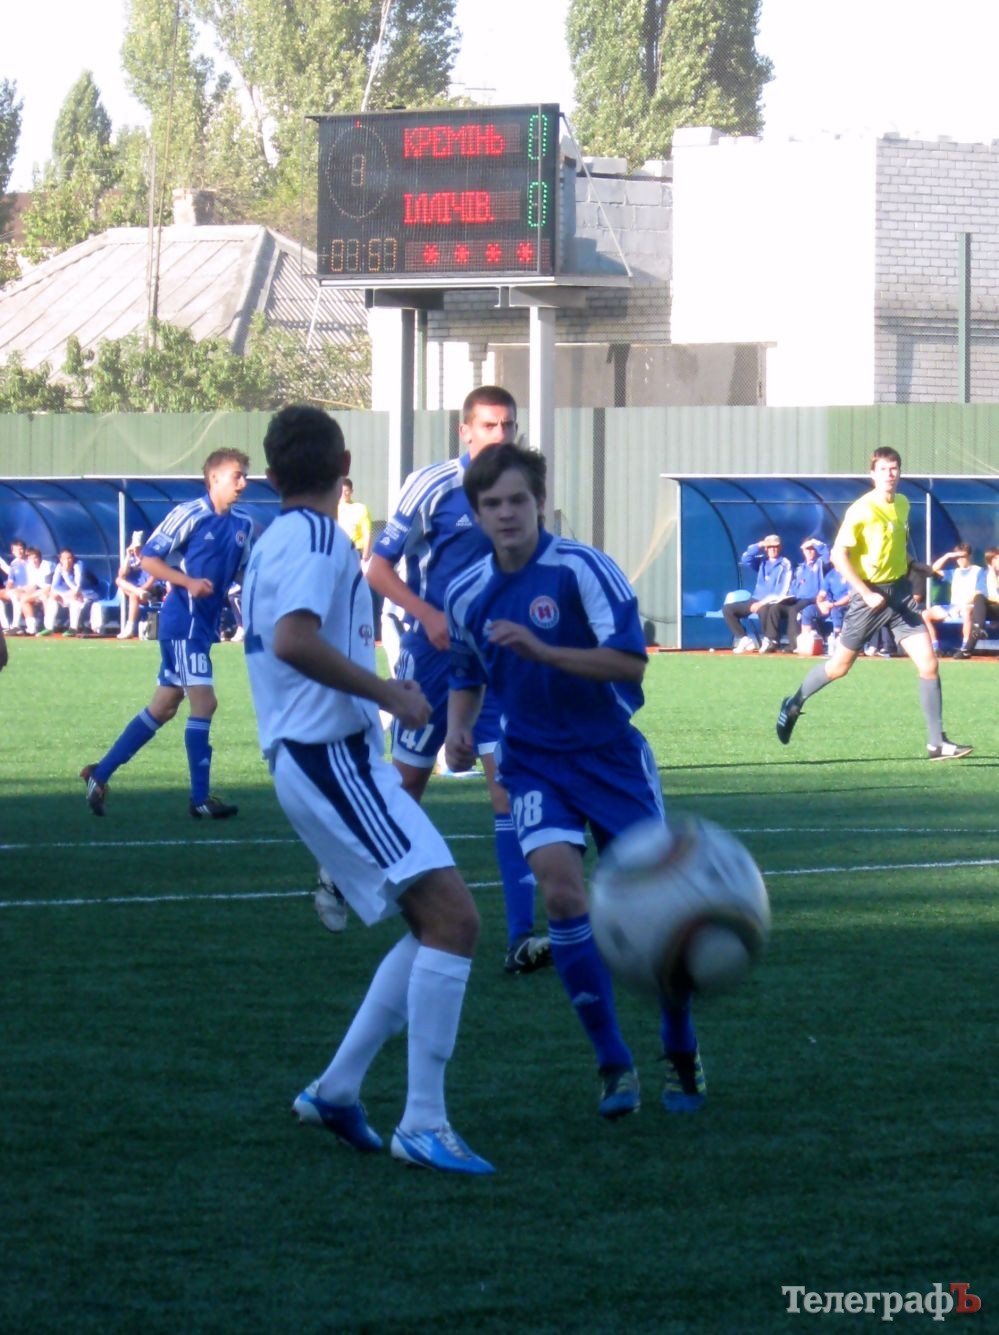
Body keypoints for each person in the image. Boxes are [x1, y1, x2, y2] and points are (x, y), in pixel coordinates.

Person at [242, 403, 493, 1175]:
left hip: (312, 755)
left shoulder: (272, 536)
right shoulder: (319, 537)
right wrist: (390, 694)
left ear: (272, 471)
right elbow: (294, 637)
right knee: (455, 919)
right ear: (344, 462)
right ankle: (423, 1121)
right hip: (331, 758)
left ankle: (338, 1089)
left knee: (430, 924)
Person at [445, 442, 705, 1121]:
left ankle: (678, 1042)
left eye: (516, 500)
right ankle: (612, 1062)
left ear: (540, 503)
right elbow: (467, 672)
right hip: (532, 761)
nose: (505, 513)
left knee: (654, 913)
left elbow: (628, 665)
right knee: (562, 895)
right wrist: (457, 725)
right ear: (477, 512)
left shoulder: (581, 568)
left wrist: (543, 649)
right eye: (491, 503)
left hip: (610, 758)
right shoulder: (465, 591)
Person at [366, 386, 550, 975]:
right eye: (490, 425)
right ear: (464, 430)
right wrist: (427, 615)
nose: (501, 436)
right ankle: (357, 864)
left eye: (509, 426)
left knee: (507, 786)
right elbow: (376, 566)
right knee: (410, 782)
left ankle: (521, 936)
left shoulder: (520, 490)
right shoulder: (432, 485)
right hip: (436, 653)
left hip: (498, 654)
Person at [80, 449, 254, 818]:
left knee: (163, 707)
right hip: (183, 624)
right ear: (214, 479)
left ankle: (99, 774)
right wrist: (187, 581)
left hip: (202, 627)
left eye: (244, 476)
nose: (243, 483)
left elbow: (246, 575)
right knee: (205, 703)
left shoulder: (244, 525)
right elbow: (148, 558)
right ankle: (200, 799)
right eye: (237, 476)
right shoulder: (190, 514)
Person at [776, 447, 972, 760]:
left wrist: (917, 567)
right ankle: (794, 702)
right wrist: (864, 592)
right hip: (869, 598)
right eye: (883, 469)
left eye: (894, 469)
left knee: (929, 664)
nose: (889, 475)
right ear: (873, 474)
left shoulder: (904, 504)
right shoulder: (861, 510)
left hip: (900, 595)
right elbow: (839, 556)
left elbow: (897, 551)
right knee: (839, 667)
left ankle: (937, 743)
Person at [723, 535, 792, 653]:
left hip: (771, 601)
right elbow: (745, 558)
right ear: (766, 548)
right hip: (756, 599)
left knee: (765, 609)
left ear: (780, 548)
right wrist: (759, 545)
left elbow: (782, 592)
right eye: (770, 547)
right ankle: (744, 639)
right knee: (728, 609)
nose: (773, 549)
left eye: (775, 547)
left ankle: (770, 641)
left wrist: (761, 603)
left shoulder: (785, 564)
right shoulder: (762, 561)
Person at [759, 537, 829, 653]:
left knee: (794, 610)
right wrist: (788, 597)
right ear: (803, 551)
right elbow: (794, 586)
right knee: (775, 608)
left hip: (812, 600)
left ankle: (794, 644)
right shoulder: (800, 568)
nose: (810, 551)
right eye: (807, 549)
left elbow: (826, 553)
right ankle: (772, 641)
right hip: (797, 599)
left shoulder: (820, 564)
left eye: (812, 549)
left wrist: (814, 543)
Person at [924, 542, 987, 660]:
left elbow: (979, 593)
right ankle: (935, 648)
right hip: (952, 606)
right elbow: (934, 569)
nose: (960, 560)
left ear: (969, 556)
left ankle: (965, 648)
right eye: (957, 557)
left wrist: (962, 605)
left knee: (967, 611)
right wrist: (948, 555)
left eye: (962, 557)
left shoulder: (979, 571)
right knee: (925, 614)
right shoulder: (954, 572)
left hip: (970, 606)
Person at [115, 531, 166, 640]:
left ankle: (129, 628)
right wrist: (128, 556)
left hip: (152, 590)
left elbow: (154, 577)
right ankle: (137, 593)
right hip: (138, 591)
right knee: (119, 580)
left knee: (134, 596)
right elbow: (122, 574)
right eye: (135, 548)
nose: (137, 550)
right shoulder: (132, 559)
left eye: (139, 547)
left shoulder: (152, 557)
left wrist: (142, 589)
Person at [41, 548, 94, 635]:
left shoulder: (78, 565)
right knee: (52, 597)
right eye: (65, 558)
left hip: (87, 593)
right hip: (70, 593)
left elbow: (78, 586)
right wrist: (64, 594)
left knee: (75, 599)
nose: (68, 561)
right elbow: (55, 585)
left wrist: (65, 574)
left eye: (70, 558)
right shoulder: (59, 566)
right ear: (61, 559)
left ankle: (73, 628)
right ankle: (48, 627)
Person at [0, 538, 29, 631]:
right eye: (16, 549)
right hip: (15, 590)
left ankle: (15, 625)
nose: (19, 552)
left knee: (14, 595)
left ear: (25, 550)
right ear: (12, 551)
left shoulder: (30, 562)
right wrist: (7, 589)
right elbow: (10, 581)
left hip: (27, 590)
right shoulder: (14, 563)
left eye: (21, 549)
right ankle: (5, 626)